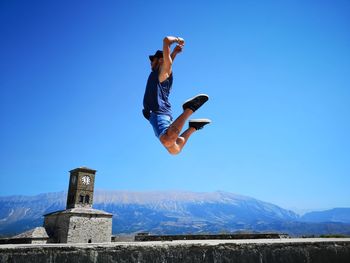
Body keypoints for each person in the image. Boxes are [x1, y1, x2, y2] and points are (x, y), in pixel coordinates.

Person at [143, 36, 211, 155]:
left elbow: (166, 40)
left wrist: (176, 40)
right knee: (175, 150)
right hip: (157, 116)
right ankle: (193, 127)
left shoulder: (161, 72)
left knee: (168, 141)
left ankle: (189, 109)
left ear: (160, 60)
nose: (150, 62)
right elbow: (168, 64)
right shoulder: (163, 73)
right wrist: (174, 53)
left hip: (159, 114)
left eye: (152, 60)